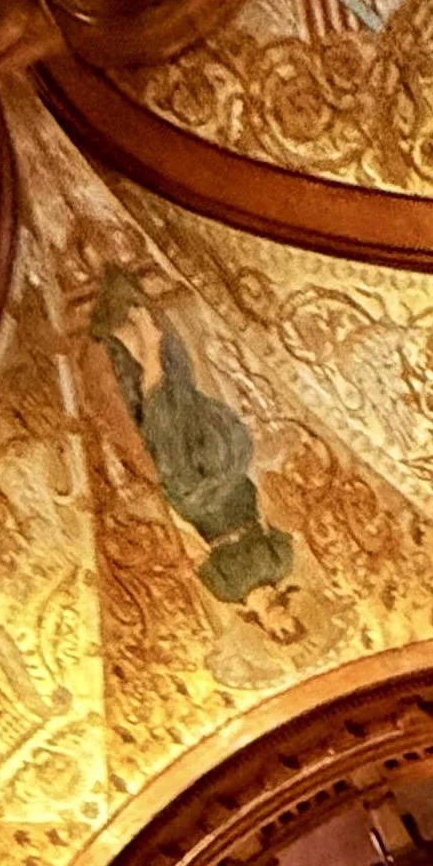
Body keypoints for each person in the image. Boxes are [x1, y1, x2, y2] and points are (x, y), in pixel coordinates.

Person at [90, 269, 299, 629]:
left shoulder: (225, 589)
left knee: (169, 442)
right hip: (233, 488)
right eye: (292, 622)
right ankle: (149, 348)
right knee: (191, 417)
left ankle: (146, 349)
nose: (283, 619)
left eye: (279, 630)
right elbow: (271, 507)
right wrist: (264, 480)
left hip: (196, 503)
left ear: (266, 628)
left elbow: (194, 548)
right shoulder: (282, 563)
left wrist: (170, 514)